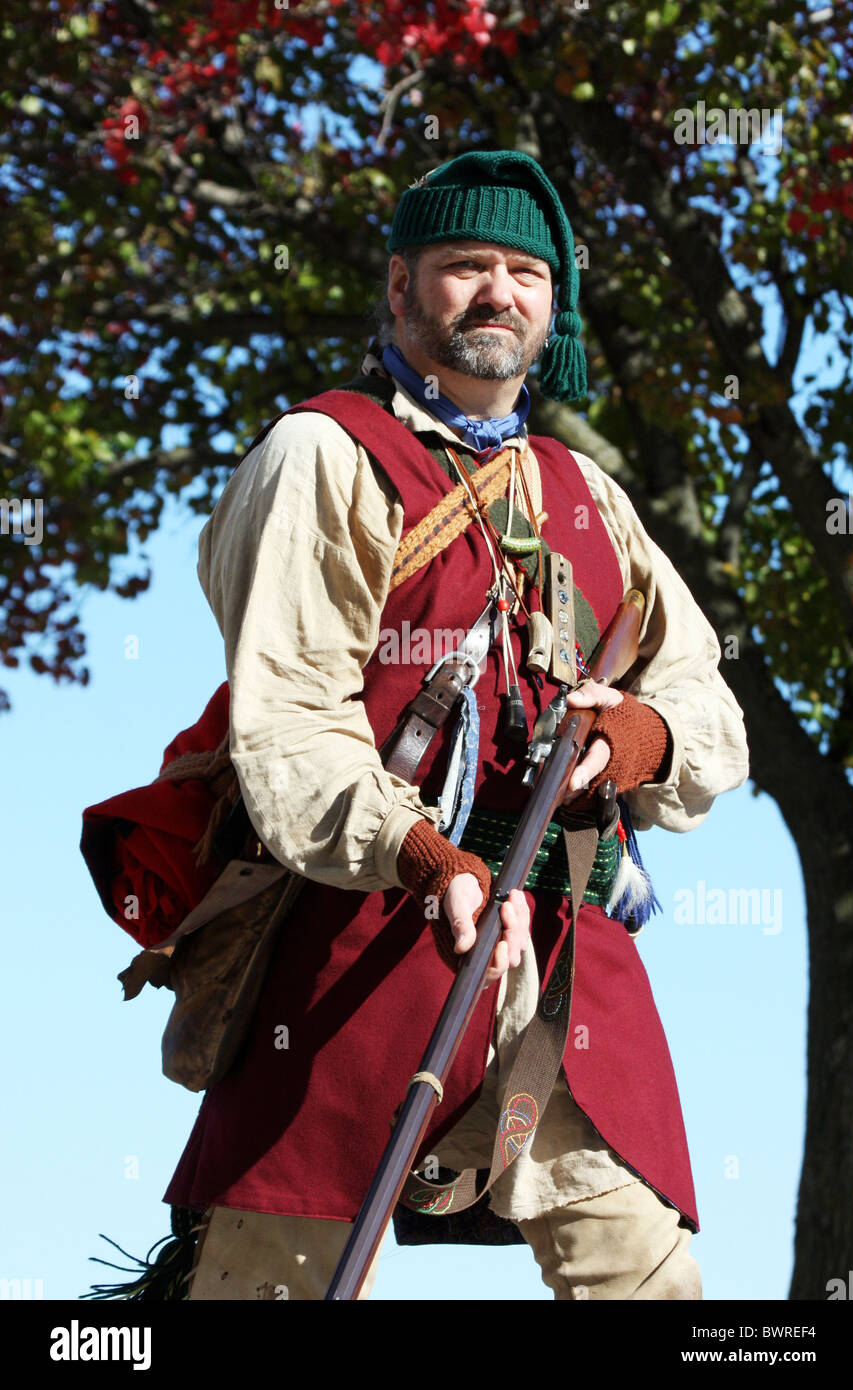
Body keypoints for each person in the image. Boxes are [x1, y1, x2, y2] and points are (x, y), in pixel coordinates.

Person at [166, 150, 749, 1301]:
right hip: (357, 939)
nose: (498, 291)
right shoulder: (321, 454)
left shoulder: (586, 493)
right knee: (270, 1284)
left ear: (552, 304)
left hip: (562, 962)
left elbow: (705, 706)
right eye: (463, 265)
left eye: (525, 270)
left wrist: (632, 737)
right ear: (398, 287)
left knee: (649, 1284)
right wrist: (423, 854)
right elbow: (288, 727)